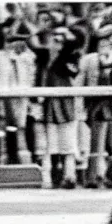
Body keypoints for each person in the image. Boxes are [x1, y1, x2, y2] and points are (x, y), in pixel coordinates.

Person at [77, 25, 112, 188]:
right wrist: (81, 106)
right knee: (96, 145)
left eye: (108, 41)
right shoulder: (88, 60)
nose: (104, 45)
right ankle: (93, 178)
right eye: (101, 42)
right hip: (97, 107)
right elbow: (80, 85)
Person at [35, 26, 83, 189]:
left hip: (65, 104)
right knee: (50, 145)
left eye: (60, 39)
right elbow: (30, 41)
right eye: (54, 37)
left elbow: (75, 45)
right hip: (48, 104)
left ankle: (69, 176)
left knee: (68, 143)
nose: (56, 41)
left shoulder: (70, 57)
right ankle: (50, 178)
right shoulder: (43, 57)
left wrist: (66, 34)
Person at [0, 26, 36, 164]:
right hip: (2, 96)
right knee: (2, 124)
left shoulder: (28, 57)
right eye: (10, 40)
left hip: (21, 96)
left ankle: (23, 157)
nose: (14, 44)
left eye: (18, 40)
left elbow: (32, 75)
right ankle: (2, 155)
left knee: (21, 126)